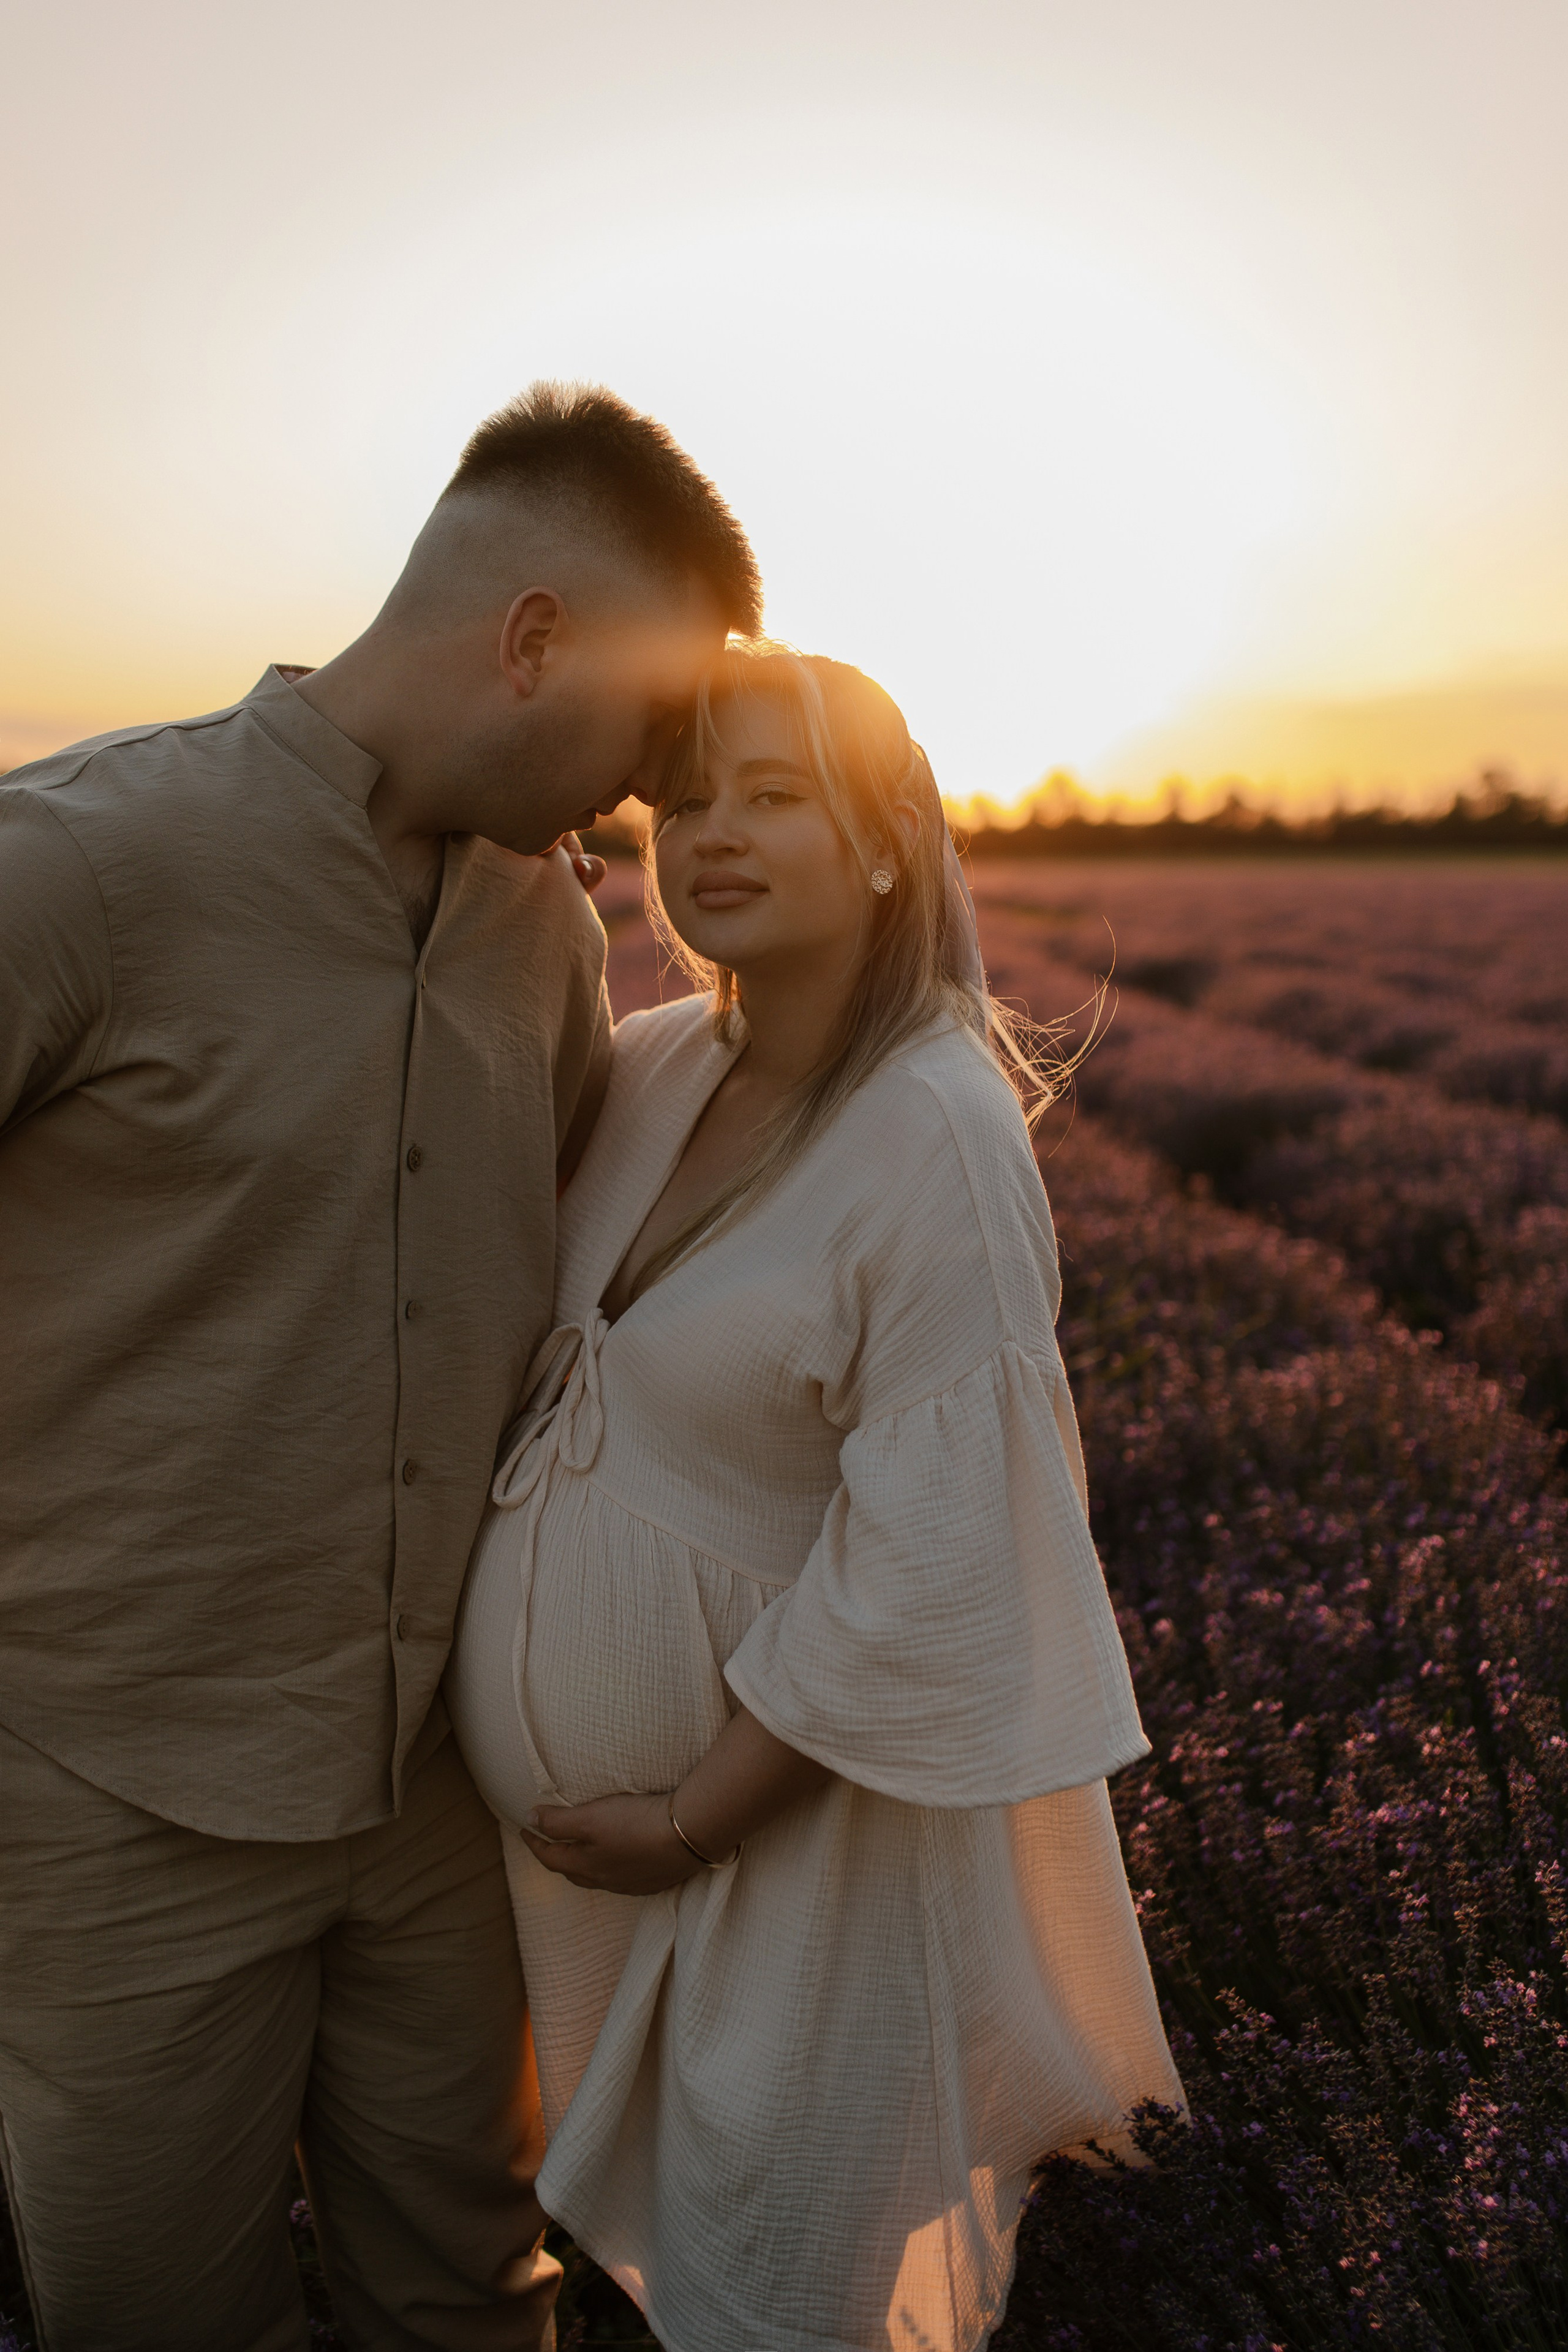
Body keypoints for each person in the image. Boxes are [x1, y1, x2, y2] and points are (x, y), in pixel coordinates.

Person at [0, 383, 760, 2352]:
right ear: (532, 640)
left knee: (475, 2299)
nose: (636, 803)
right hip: (119, 1789)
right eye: (639, 736)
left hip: (441, 1779)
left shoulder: (541, 924)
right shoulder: (78, 866)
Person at [446, 645, 1185, 2352]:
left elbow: (931, 1554)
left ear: (881, 840)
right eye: (685, 796)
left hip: (799, 1862)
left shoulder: (934, 1127)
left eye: (774, 795)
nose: (711, 831)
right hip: (588, 1877)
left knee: (787, 2306)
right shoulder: (653, 1068)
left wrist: (700, 1808)